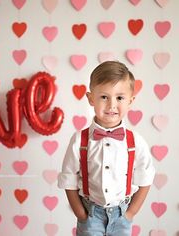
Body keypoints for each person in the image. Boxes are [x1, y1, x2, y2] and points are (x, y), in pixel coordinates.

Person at [58, 61, 155, 236]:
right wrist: (81, 214)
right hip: (91, 216)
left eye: (119, 97)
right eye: (104, 97)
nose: (111, 105)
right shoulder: (80, 140)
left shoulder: (135, 142)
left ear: (130, 100)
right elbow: (69, 179)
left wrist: (130, 213)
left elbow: (146, 178)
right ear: (90, 98)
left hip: (121, 216)